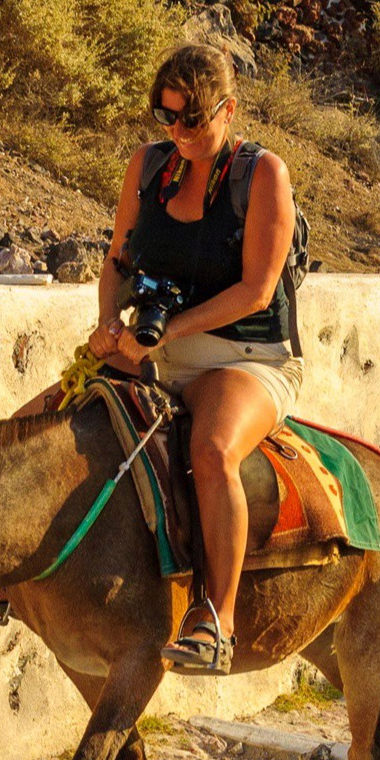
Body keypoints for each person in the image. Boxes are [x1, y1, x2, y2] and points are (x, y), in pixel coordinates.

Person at [95, 44, 302, 672]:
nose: (178, 133)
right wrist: (106, 324)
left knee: (211, 450)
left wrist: (170, 332)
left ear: (228, 110)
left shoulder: (261, 174)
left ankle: (218, 620)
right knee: (52, 413)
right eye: (165, 117)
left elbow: (256, 289)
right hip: (157, 346)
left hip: (247, 355)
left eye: (193, 120)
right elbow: (118, 261)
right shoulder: (149, 166)